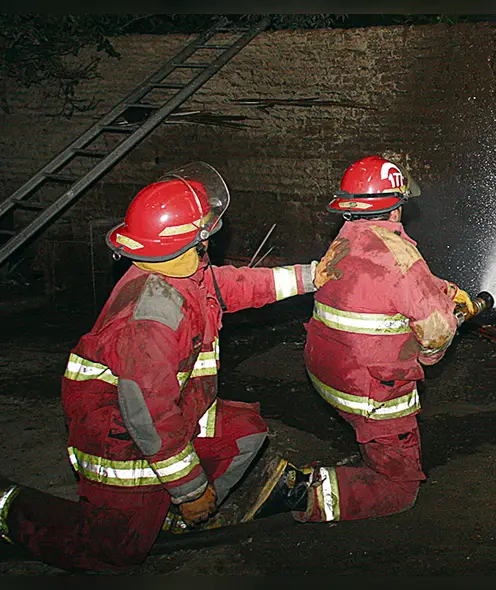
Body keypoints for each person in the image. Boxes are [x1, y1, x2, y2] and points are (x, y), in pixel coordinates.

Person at [0, 162, 337, 572]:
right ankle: (9, 508)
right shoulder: (151, 320)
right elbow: (150, 416)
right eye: (204, 233)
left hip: (169, 410)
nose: (209, 241)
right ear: (187, 241)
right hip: (119, 434)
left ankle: (170, 517)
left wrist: (311, 276)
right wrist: (190, 489)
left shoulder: (178, 273)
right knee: (114, 550)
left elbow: (237, 286)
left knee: (244, 433)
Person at [245, 155, 475, 523]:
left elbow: (384, 284)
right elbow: (436, 330)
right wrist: (430, 354)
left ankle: (358, 456)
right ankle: (300, 493)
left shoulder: (348, 238)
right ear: (395, 208)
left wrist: (442, 290)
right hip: (370, 391)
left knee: (369, 433)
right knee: (398, 489)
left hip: (326, 370)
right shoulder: (401, 257)